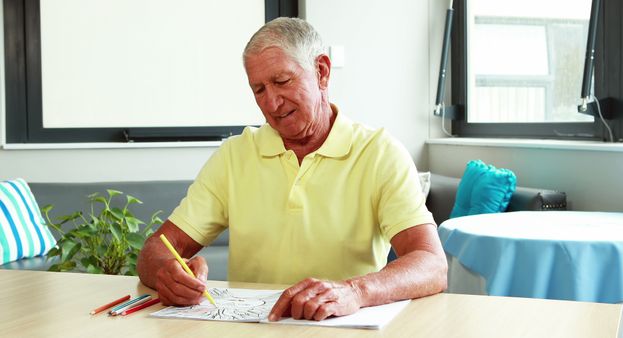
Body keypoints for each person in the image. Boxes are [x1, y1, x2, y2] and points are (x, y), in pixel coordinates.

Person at [137, 17, 447, 322]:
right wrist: (167, 272)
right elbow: (157, 249)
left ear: (322, 72)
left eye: (282, 81)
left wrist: (355, 290)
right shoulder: (234, 155)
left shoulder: (380, 153)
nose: (271, 103)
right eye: (258, 89)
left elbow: (432, 265)